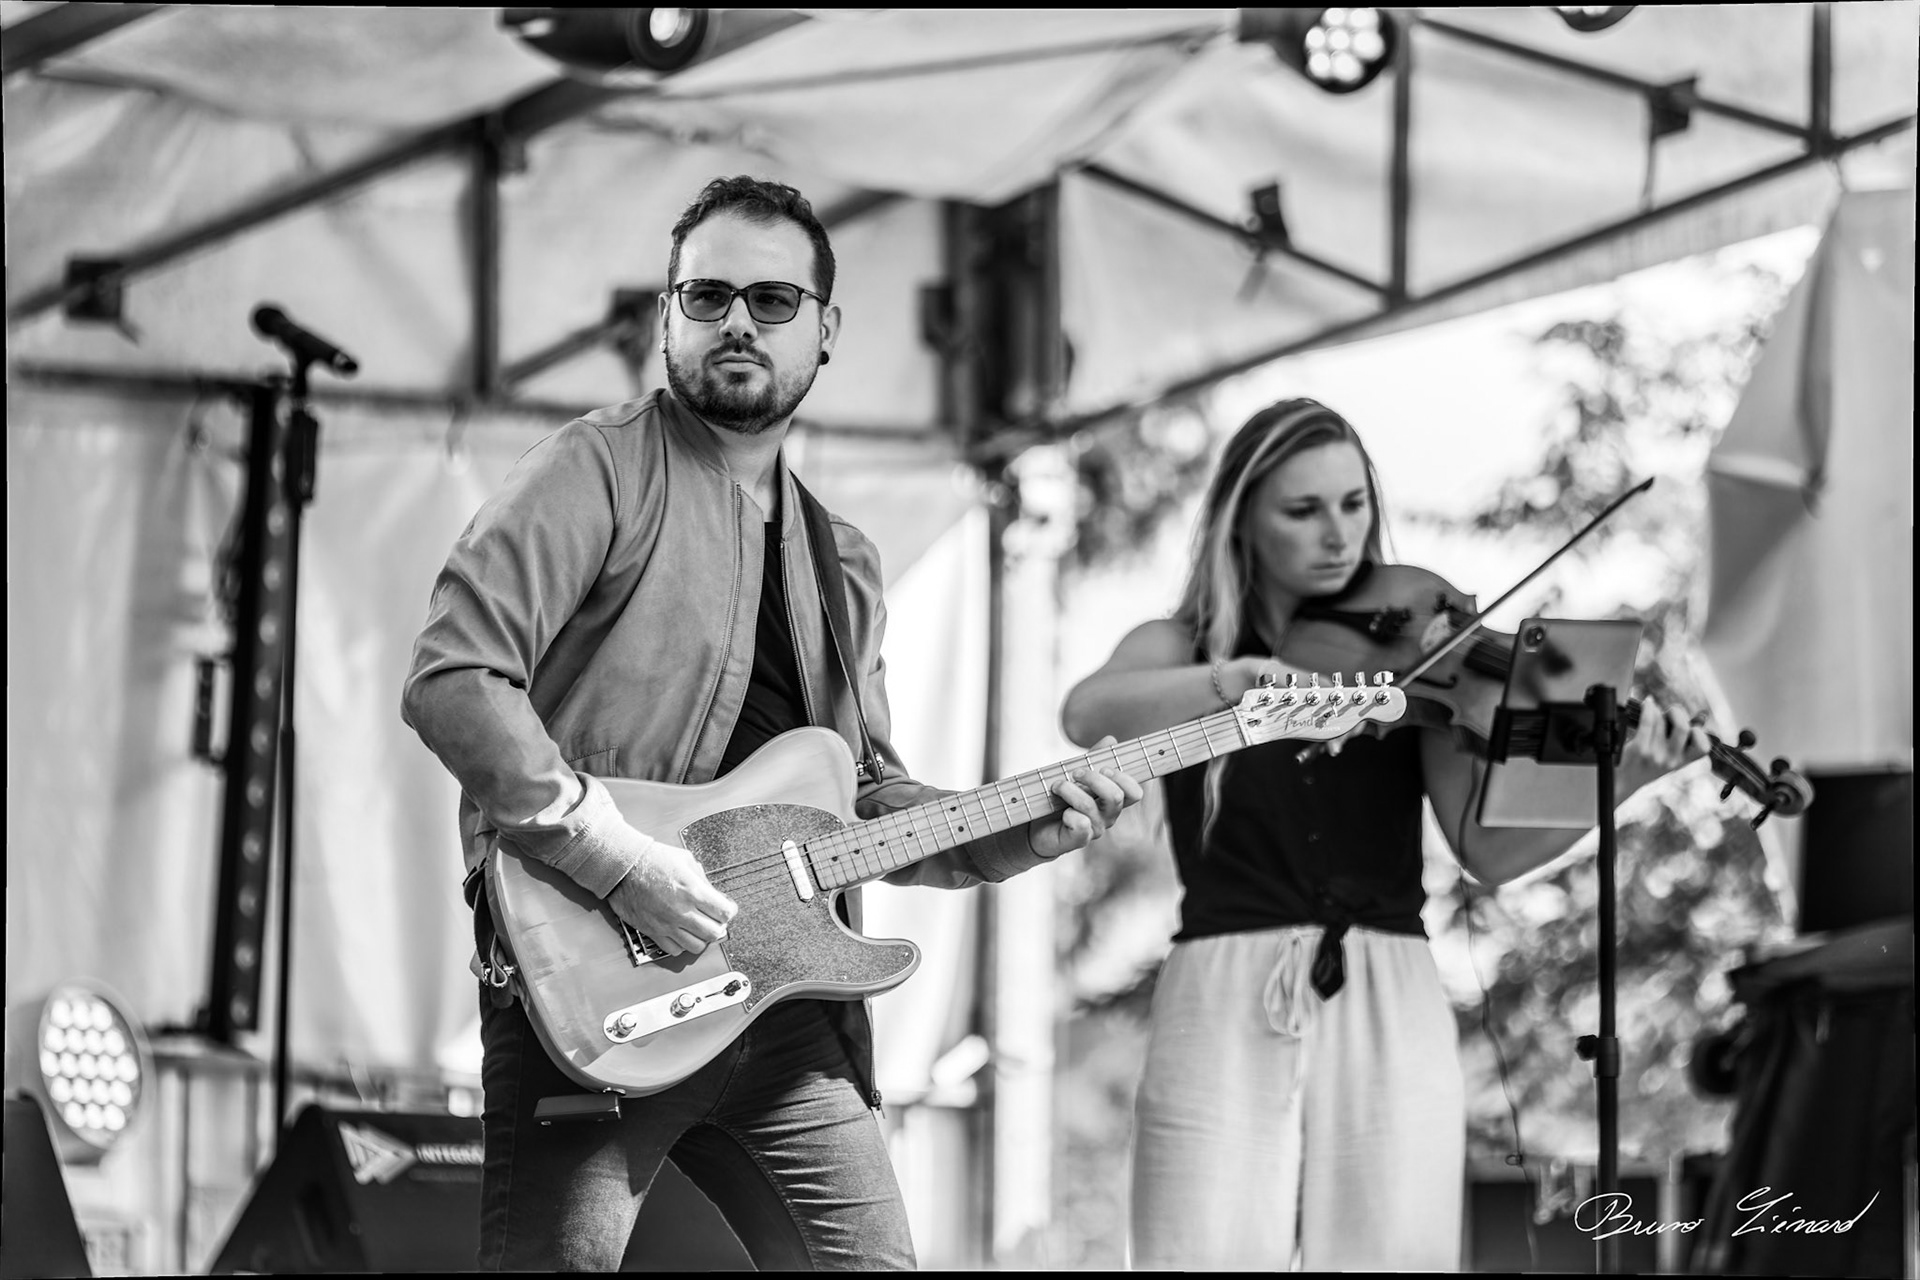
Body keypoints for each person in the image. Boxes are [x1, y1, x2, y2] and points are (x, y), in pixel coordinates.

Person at [402, 174, 1142, 1272]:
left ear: (826, 329)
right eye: (706, 297)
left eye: (773, 299)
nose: (737, 320)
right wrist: (616, 859)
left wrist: (1013, 831)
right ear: (666, 319)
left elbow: (869, 795)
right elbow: (454, 678)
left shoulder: (841, 561)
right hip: (602, 981)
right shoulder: (591, 469)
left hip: (790, 1009)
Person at [1059, 397, 1707, 1271]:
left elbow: (1485, 850)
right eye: (1304, 510)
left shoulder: (1419, 644)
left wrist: (1625, 778)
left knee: (1390, 1252)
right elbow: (1087, 711)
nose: (1340, 536)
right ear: (1241, 520)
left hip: (1390, 980)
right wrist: (1238, 681)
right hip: (1223, 976)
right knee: (1196, 1249)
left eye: (1354, 503)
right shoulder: (1180, 646)